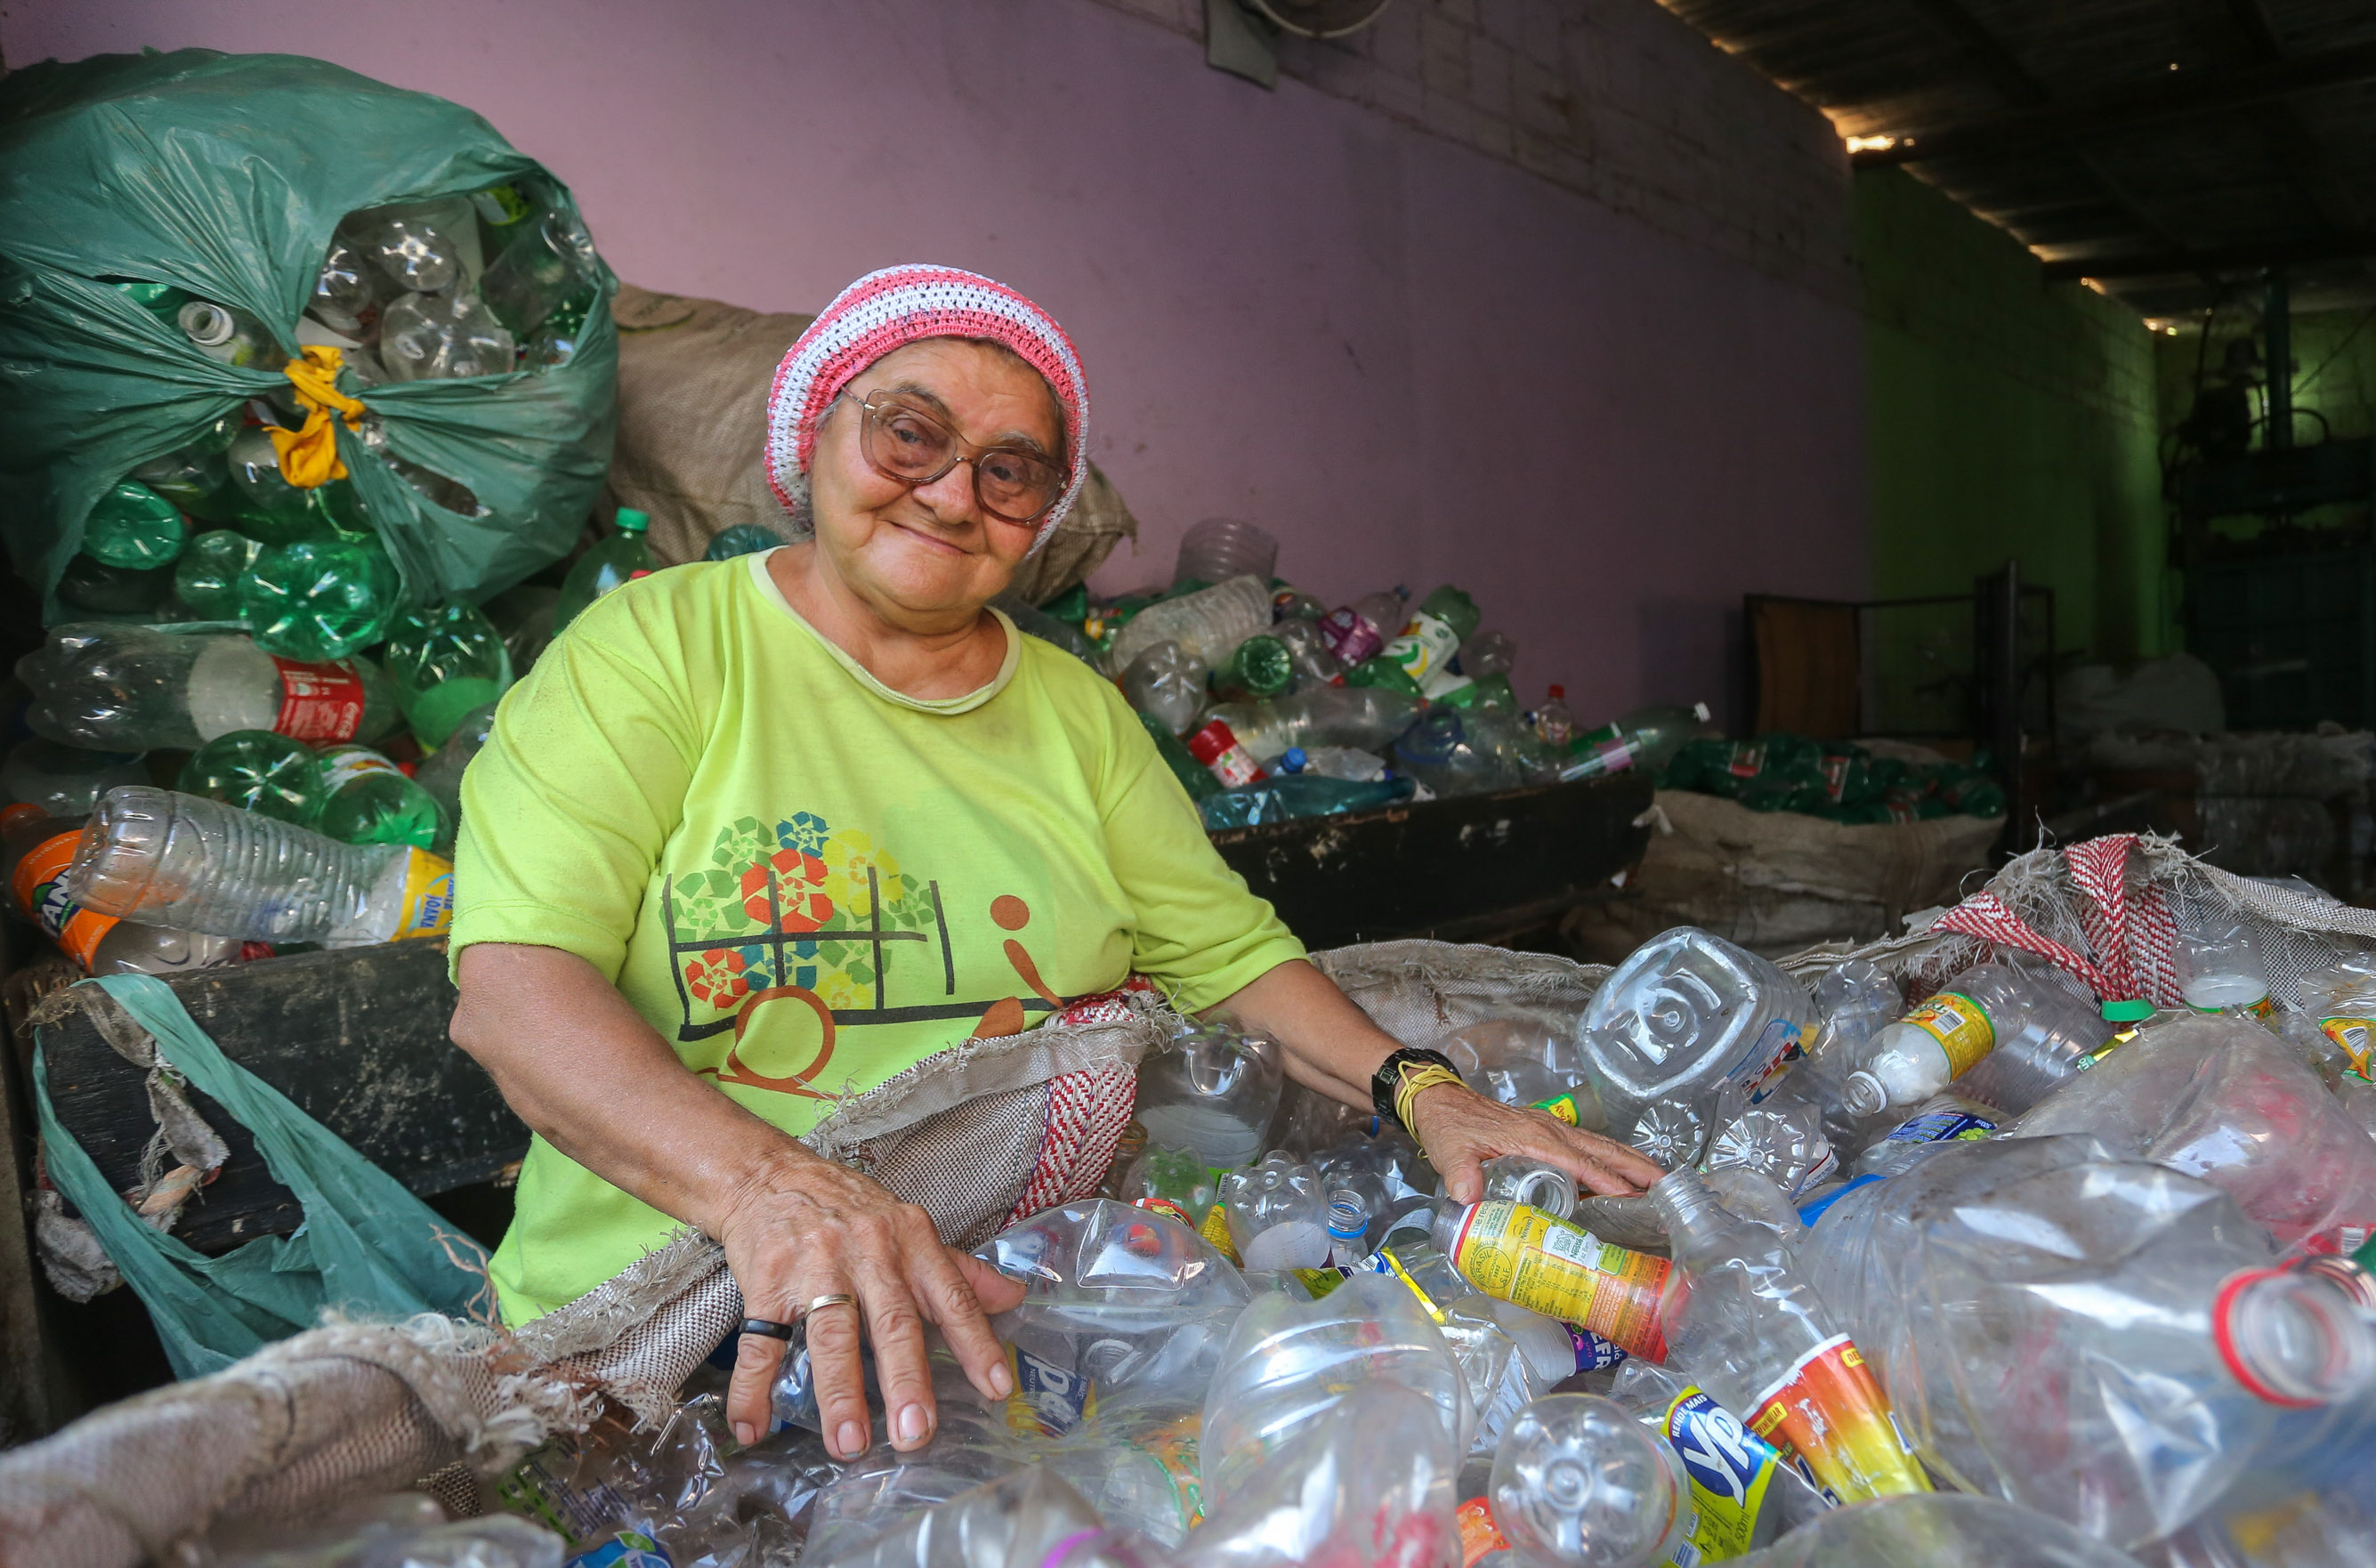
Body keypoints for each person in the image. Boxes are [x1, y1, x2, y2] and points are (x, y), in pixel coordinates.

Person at [448, 264, 1661, 1464]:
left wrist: (1426, 1091)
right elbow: (517, 992)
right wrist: (773, 1190)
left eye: (1009, 469)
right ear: (816, 435)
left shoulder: (1076, 714)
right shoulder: (657, 649)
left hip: (992, 1318)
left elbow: (1223, 953)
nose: (951, 492)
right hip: (661, 1335)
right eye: (909, 433)